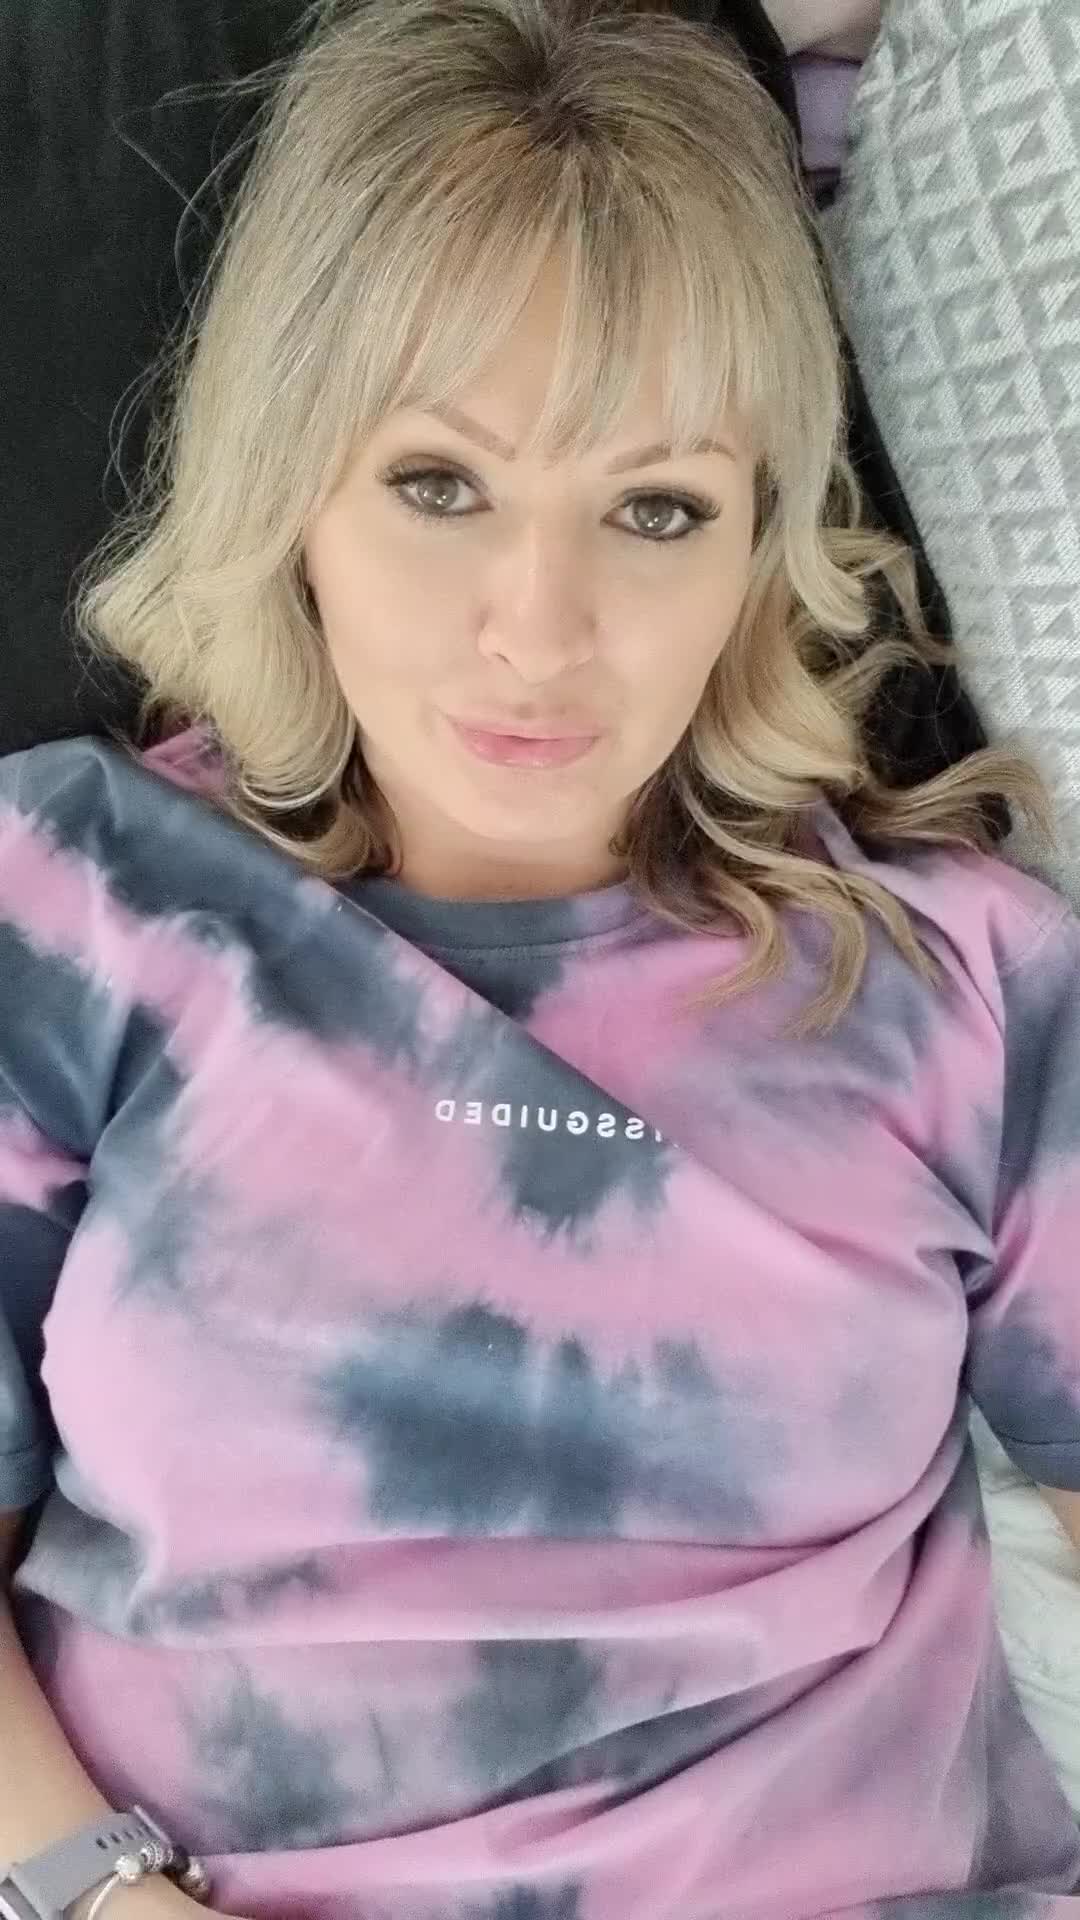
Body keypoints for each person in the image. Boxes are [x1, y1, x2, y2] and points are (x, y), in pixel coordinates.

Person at [1, 2, 1079, 1917]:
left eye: (656, 509)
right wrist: (98, 1896)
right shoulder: (75, 909)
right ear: (293, 485)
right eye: (441, 484)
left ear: (758, 547)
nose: (539, 629)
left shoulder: (966, 988)